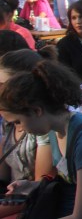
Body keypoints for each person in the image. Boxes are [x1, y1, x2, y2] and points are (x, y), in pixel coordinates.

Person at [0, 60, 82, 218]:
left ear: (37, 111)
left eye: (18, 121)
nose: (19, 128)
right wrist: (33, 186)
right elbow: (69, 183)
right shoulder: (57, 130)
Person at [0, 50, 54, 218]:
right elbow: (3, 176)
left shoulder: (42, 127)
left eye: (3, 85)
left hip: (28, 209)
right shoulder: (8, 118)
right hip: (9, 202)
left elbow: (39, 192)